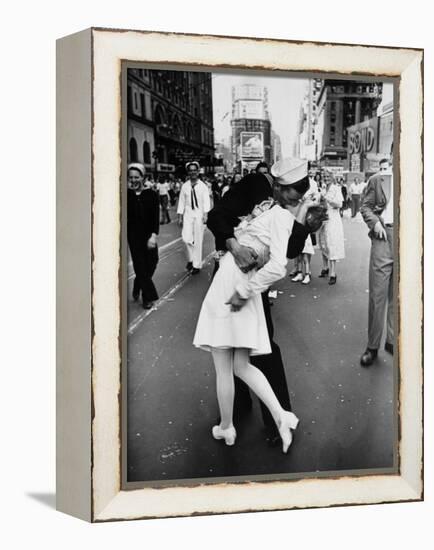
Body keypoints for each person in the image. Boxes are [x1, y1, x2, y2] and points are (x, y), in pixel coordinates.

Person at [194, 159, 325, 452]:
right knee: (235, 357)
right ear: (274, 182)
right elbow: (216, 216)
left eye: (302, 190)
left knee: (257, 350)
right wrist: (233, 245)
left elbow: (288, 253)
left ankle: (273, 419)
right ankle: (238, 412)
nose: (297, 195)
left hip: (251, 282)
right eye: (293, 189)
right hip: (234, 271)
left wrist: (302, 223)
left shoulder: (291, 207)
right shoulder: (253, 184)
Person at [359, 158, 394, 367]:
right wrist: (374, 223)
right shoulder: (378, 179)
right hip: (383, 238)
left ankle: (391, 341)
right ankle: (372, 347)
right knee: (378, 296)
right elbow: (365, 207)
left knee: (398, 296)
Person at [127, 163, 159, 309]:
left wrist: (153, 236)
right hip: (133, 237)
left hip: (148, 235)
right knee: (140, 265)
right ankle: (148, 298)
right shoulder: (126, 195)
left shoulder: (151, 195)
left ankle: (138, 283)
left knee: (152, 262)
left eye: (136, 177)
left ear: (143, 178)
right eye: (131, 177)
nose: (133, 180)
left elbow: (155, 217)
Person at [177, 161, 211, 274]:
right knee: (186, 239)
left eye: (194, 170)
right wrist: (180, 217)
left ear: (198, 171)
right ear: (188, 172)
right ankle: (191, 259)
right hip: (188, 215)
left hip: (199, 215)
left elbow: (206, 202)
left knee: (198, 240)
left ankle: (196, 265)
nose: (192, 172)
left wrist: (206, 215)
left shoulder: (203, 186)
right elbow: (181, 202)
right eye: (190, 170)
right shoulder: (185, 186)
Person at [290, 171, 320, 284]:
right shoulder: (294, 184)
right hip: (296, 216)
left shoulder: (312, 184)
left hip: (307, 218)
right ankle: (299, 272)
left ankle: (307, 272)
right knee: (297, 246)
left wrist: (308, 202)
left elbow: (317, 199)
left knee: (306, 246)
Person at [318, 171, 345, 285]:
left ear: (332, 177)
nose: (326, 178)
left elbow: (339, 204)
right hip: (323, 219)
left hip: (333, 220)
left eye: (328, 176)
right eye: (324, 176)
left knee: (332, 244)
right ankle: (325, 267)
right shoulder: (322, 188)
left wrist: (327, 199)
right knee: (323, 243)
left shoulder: (336, 188)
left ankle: (333, 273)